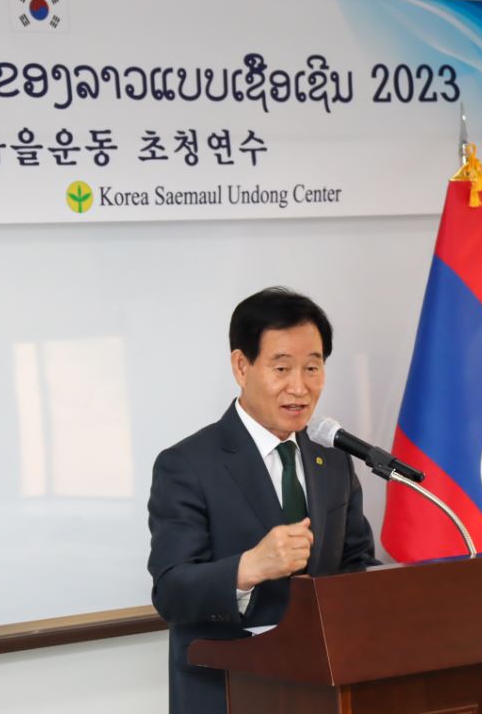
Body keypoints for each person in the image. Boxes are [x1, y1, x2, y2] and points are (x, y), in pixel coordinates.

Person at [147, 286, 381, 714]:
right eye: (282, 368)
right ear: (242, 366)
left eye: (312, 368)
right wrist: (249, 567)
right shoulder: (187, 464)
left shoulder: (332, 458)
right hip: (229, 692)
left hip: (327, 692)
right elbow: (171, 591)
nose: (300, 387)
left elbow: (356, 563)